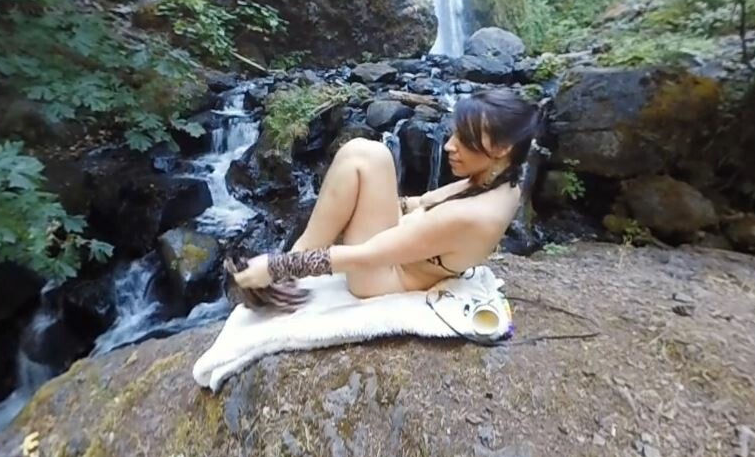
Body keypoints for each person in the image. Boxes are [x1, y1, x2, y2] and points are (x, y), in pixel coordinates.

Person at [229, 88, 540, 299]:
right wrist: (361, 200)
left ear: (502, 148)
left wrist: (277, 265)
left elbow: (367, 255)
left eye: (465, 139)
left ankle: (287, 270)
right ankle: (299, 256)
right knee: (366, 153)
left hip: (381, 278)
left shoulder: (473, 216)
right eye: (455, 133)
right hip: (399, 252)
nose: (449, 146)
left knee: (369, 156)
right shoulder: (504, 179)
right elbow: (419, 203)